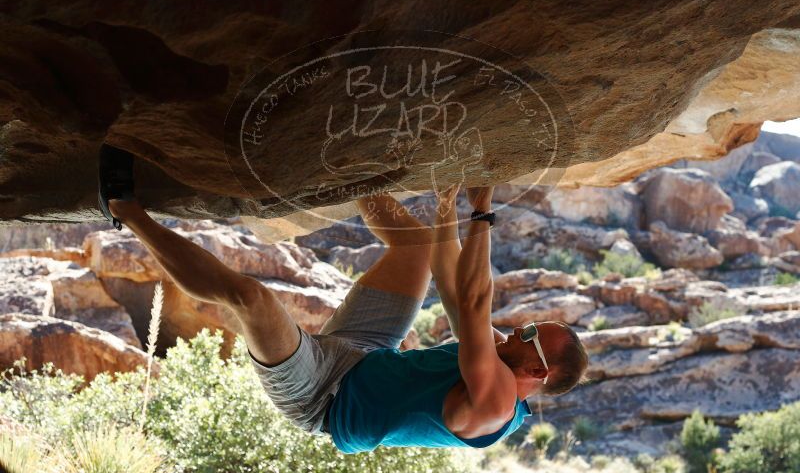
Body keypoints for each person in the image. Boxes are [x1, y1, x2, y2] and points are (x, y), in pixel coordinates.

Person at [99, 145, 588, 454]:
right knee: (415, 244)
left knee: (250, 297)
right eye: (530, 324)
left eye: (530, 335)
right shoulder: (501, 353)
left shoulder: (495, 403)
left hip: (321, 397)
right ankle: (348, 162)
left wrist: (481, 214)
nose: (519, 328)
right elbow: (457, 290)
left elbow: (477, 303)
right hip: (367, 351)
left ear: (537, 374)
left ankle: (124, 209)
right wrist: (445, 207)